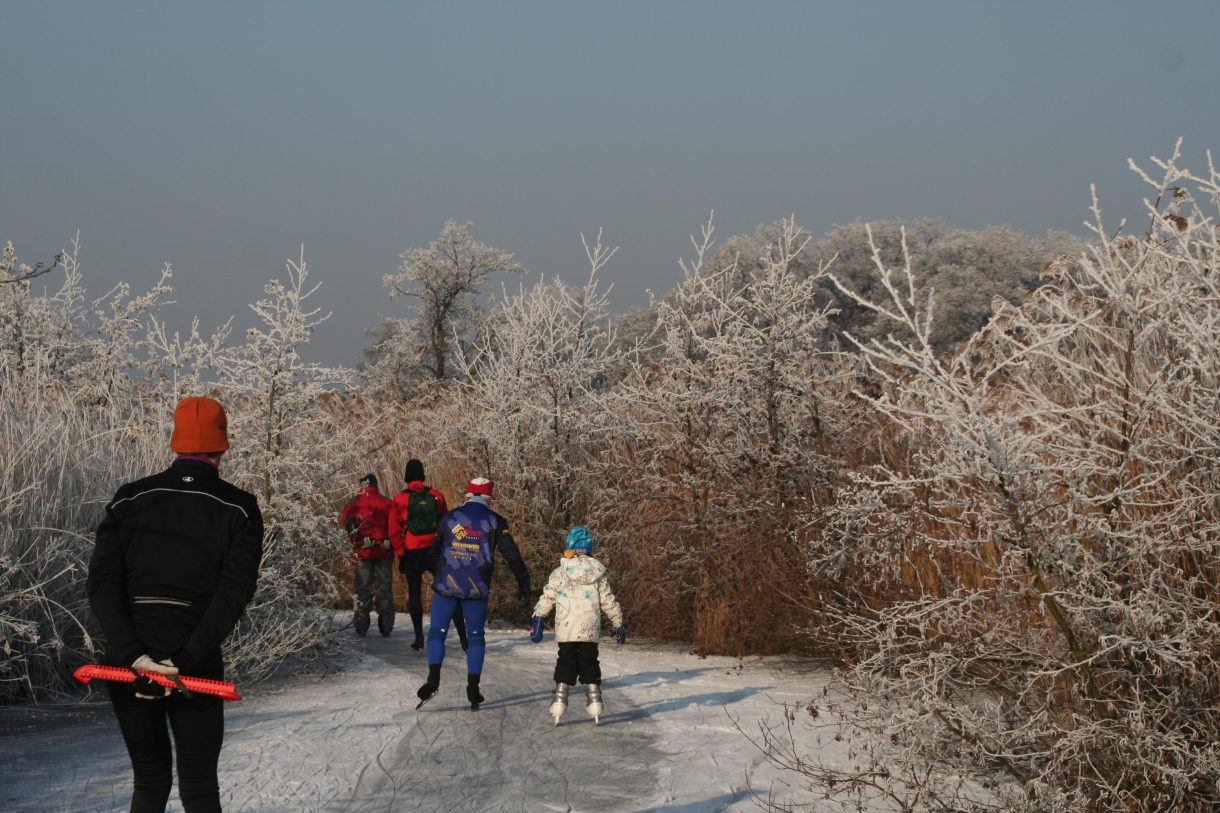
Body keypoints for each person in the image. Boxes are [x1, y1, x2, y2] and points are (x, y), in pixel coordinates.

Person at [88, 396, 262, 813]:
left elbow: (102, 584)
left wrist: (134, 656)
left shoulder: (129, 498)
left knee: (149, 781)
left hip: (127, 666)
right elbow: (233, 593)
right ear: (223, 444)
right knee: (199, 789)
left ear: (176, 440)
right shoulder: (239, 507)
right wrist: (185, 658)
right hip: (195, 669)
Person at [416, 477, 530, 709]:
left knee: (437, 632)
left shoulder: (449, 518)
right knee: (476, 636)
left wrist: (436, 572)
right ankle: (473, 688)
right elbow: (512, 555)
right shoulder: (496, 521)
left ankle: (433, 680)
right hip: (476, 588)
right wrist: (523, 582)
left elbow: (433, 553)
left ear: (468, 494)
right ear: (489, 497)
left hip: (446, 586)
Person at [529, 525, 625, 725]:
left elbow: (549, 595)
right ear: (589, 548)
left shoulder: (561, 571)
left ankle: (559, 701)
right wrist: (618, 622)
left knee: (566, 661)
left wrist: (538, 617)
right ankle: (595, 700)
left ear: (570, 546)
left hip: (566, 627)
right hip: (590, 629)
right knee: (590, 662)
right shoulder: (598, 572)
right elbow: (608, 600)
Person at [389, 458, 466, 651]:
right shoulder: (437, 496)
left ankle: (419, 638)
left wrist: (401, 554)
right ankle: (464, 638)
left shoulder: (400, 499)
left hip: (412, 551)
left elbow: (393, 531)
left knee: (415, 594)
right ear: (423, 474)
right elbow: (446, 524)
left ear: (407, 477)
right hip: (434, 550)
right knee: (448, 591)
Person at [340, 473, 395, 636]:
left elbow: (347, 524)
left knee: (363, 588)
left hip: (363, 550)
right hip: (384, 550)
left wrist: (358, 541)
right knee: (384, 588)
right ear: (375, 485)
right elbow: (396, 525)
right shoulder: (387, 502)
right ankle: (386, 626)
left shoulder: (354, 502)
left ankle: (361, 625)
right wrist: (389, 542)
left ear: (361, 485)